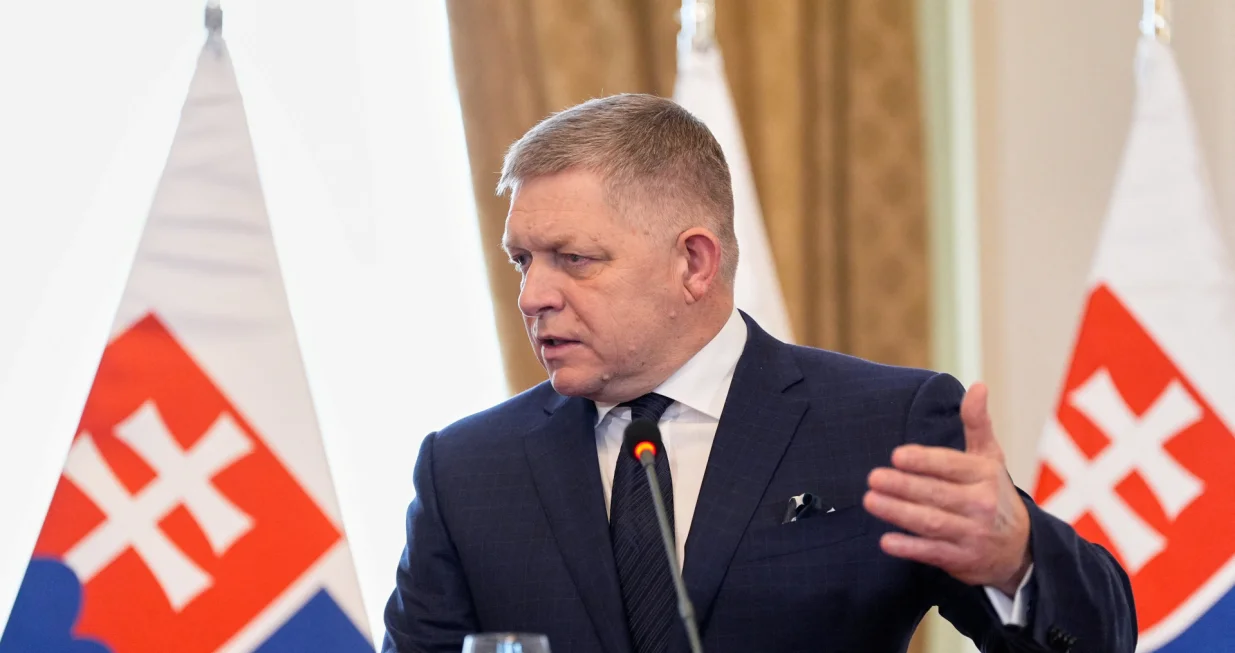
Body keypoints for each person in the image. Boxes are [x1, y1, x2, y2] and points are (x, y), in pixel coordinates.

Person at [381, 93, 1136, 653]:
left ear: (693, 262)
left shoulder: (883, 425)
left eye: (574, 259)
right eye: (523, 260)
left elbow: (1101, 640)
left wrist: (1017, 561)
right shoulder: (467, 470)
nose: (532, 295)